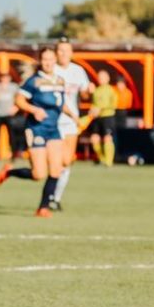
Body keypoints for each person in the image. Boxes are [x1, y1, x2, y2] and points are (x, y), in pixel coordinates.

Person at [0, 47, 77, 217]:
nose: (48, 63)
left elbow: (60, 103)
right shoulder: (33, 81)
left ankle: (43, 208)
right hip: (36, 129)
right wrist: (34, 110)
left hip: (53, 130)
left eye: (51, 59)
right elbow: (19, 100)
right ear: (41, 61)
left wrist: (72, 114)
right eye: (45, 59)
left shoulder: (60, 81)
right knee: (38, 174)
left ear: (55, 60)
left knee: (56, 170)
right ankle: (9, 172)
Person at [51, 38, 92, 211]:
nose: (64, 54)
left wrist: (89, 91)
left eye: (67, 50)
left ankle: (56, 198)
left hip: (70, 122)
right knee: (52, 162)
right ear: (56, 52)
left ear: (71, 52)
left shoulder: (78, 71)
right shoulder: (51, 70)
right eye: (60, 50)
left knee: (67, 161)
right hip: (53, 121)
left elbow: (83, 96)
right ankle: (50, 195)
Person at [88, 70, 117, 166]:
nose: (100, 79)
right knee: (94, 138)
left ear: (108, 78)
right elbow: (94, 104)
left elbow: (114, 104)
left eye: (102, 77)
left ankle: (109, 162)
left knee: (107, 138)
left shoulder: (111, 90)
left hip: (108, 117)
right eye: (99, 77)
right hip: (97, 118)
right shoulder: (96, 90)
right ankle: (102, 158)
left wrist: (100, 109)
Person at [0, 71, 21, 161]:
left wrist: (16, 108)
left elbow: (19, 98)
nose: (5, 80)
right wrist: (1, 89)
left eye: (7, 78)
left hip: (9, 114)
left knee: (12, 135)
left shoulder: (14, 87)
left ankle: (13, 155)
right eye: (3, 78)